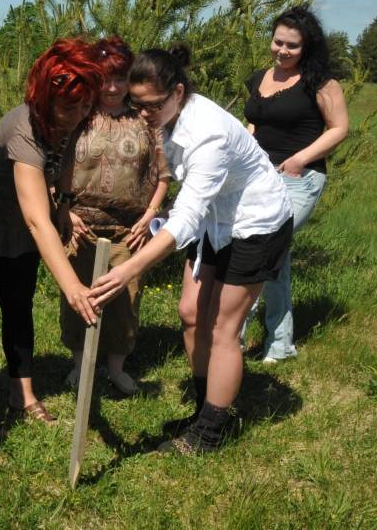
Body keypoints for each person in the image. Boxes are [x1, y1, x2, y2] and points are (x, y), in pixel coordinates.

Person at [90, 45, 294, 455]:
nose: (144, 112)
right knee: (189, 313)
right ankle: (205, 407)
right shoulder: (164, 117)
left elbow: (187, 215)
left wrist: (130, 270)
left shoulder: (209, 134)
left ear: (178, 93)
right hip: (217, 222)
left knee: (222, 328)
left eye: (153, 104)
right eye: (137, 103)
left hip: (256, 224)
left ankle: (210, 431)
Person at [0, 37, 102, 437]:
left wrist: (63, 202)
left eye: (85, 106)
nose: (77, 115)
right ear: (45, 96)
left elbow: (63, 161)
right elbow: (36, 220)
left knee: (19, 304)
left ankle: (22, 394)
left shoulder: (73, 118)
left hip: (19, 221)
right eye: (68, 106)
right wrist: (73, 287)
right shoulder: (24, 127)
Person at [59, 37, 170, 396]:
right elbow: (51, 166)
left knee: (125, 301)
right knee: (78, 297)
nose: (111, 87)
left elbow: (165, 174)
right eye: (104, 78)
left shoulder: (147, 120)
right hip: (79, 226)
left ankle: (117, 369)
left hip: (129, 229)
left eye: (119, 79)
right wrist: (63, 211)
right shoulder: (79, 113)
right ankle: (80, 366)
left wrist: (151, 214)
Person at [243, 6, 348, 363]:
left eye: (292, 46)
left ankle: (235, 333)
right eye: (278, 42)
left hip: (299, 180)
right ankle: (280, 343)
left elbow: (339, 128)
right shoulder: (260, 77)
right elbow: (256, 124)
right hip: (258, 177)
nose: (283, 51)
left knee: (262, 248)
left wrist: (301, 158)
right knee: (275, 257)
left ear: (307, 47)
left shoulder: (321, 83)